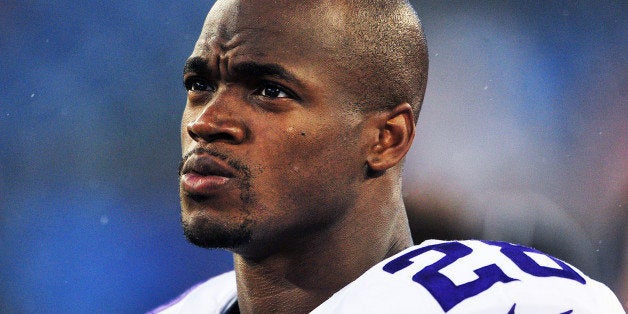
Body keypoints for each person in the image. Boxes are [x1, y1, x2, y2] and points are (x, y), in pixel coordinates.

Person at [153, 0, 624, 313]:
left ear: (387, 138)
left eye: (270, 91)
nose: (206, 122)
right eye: (200, 85)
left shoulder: (513, 301)